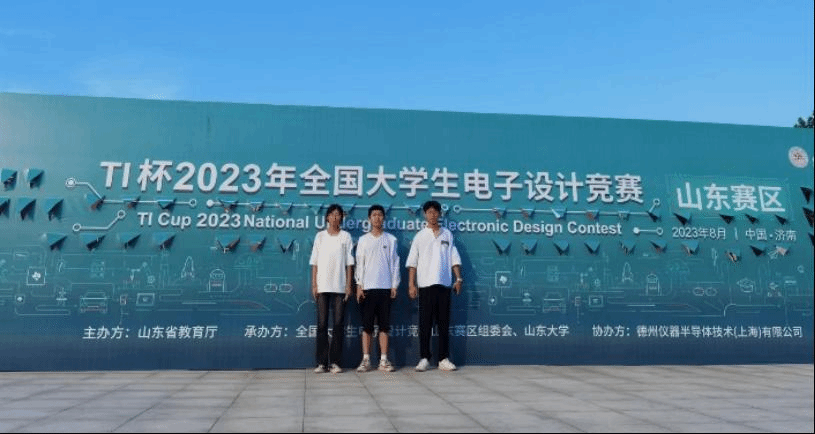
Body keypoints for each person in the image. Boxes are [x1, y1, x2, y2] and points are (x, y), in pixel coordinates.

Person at [406, 200, 463, 372]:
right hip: (425, 285)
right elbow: (412, 262)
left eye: (435, 212)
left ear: (439, 214)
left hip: (444, 284)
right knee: (425, 324)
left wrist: (458, 279)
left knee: (444, 323)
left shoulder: (447, 234)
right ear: (425, 214)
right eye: (429, 212)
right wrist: (411, 284)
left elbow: (454, 258)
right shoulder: (420, 236)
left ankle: (443, 359)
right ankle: (424, 358)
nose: (432, 215)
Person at [354, 204, 400, 373]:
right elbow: (360, 263)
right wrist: (359, 285)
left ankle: (383, 360)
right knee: (367, 326)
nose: (377, 218)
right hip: (368, 288)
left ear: (383, 218)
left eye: (380, 215)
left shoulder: (391, 240)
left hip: (385, 288)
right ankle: (366, 360)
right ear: (369, 218)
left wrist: (394, 284)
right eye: (374, 215)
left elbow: (395, 263)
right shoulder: (363, 240)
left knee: (384, 327)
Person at [309, 204, 354, 374]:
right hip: (322, 286)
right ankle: (322, 362)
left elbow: (349, 263)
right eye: (332, 214)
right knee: (322, 324)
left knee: (338, 324)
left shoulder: (346, 237)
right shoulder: (320, 236)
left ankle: (335, 362)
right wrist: (314, 284)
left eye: (338, 214)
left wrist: (348, 285)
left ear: (341, 218)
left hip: (340, 287)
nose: (335, 217)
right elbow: (314, 262)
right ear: (327, 217)